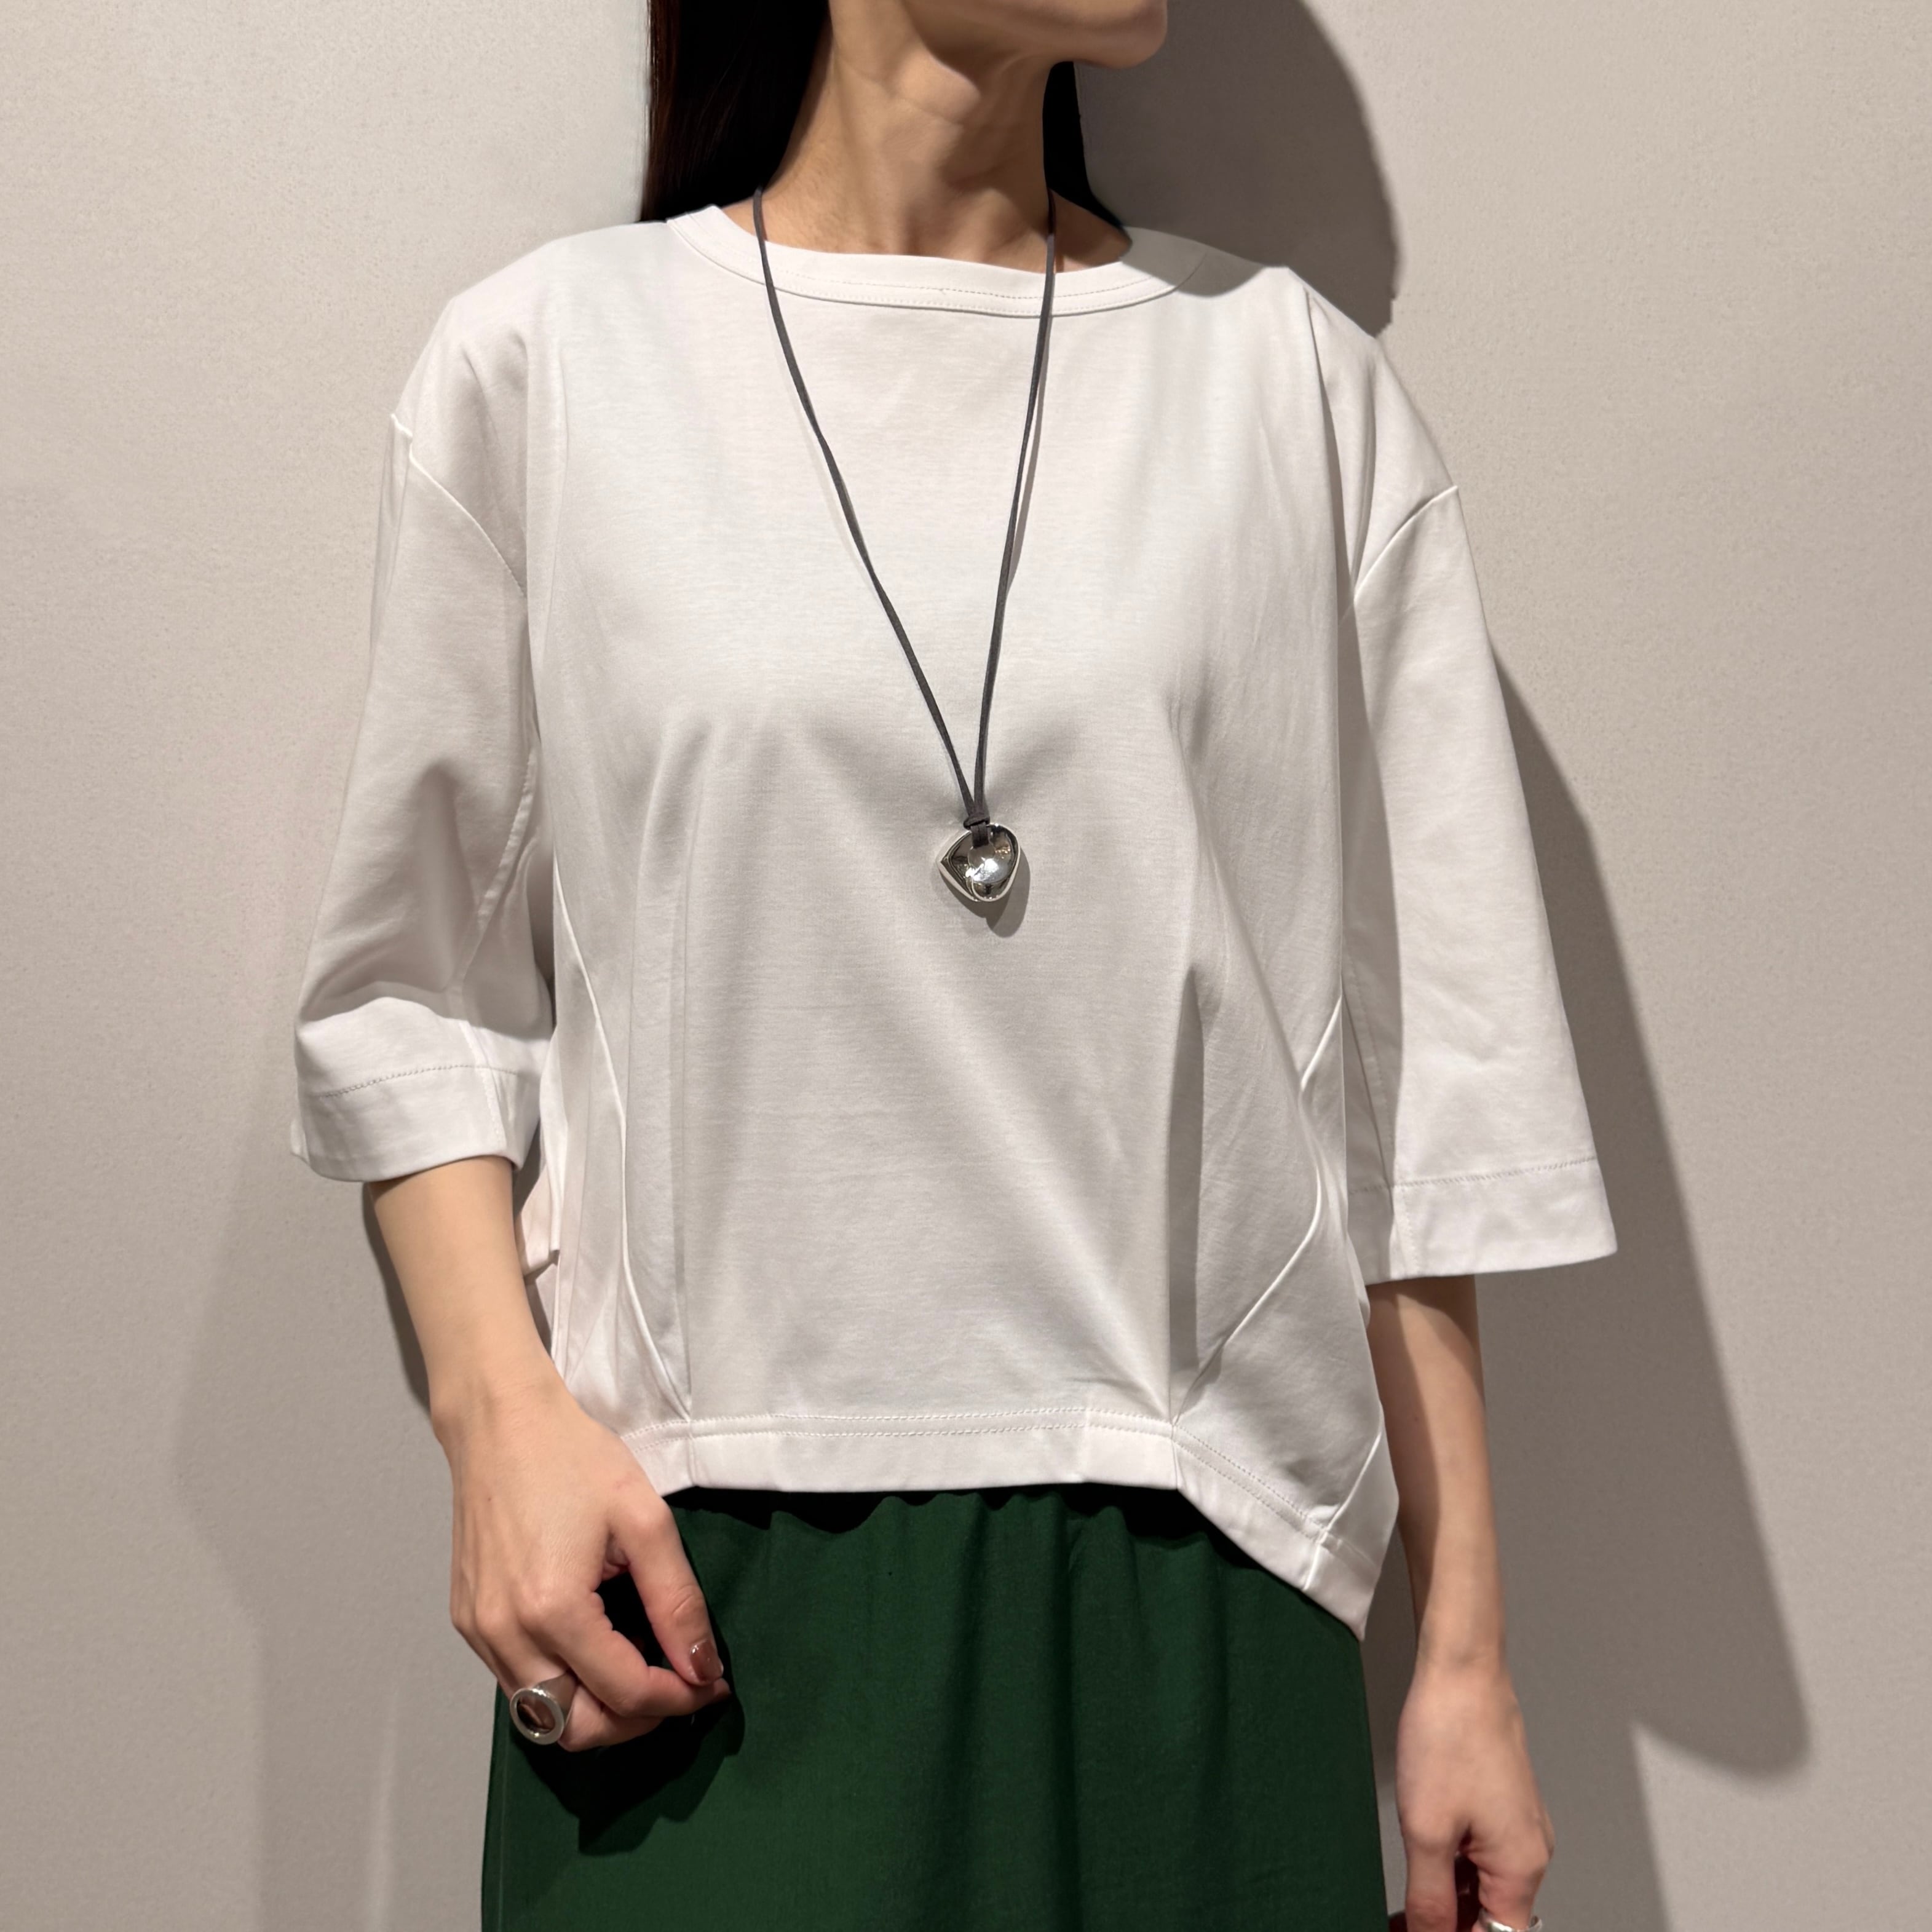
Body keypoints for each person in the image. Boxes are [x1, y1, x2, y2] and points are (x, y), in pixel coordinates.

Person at [290, 2, 1615, 1926]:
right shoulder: (553, 363)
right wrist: (493, 1421)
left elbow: (1427, 1100)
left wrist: (1467, 1658)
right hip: (691, 1600)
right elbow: (413, 993)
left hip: (1200, 1579)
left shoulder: (1287, 386)